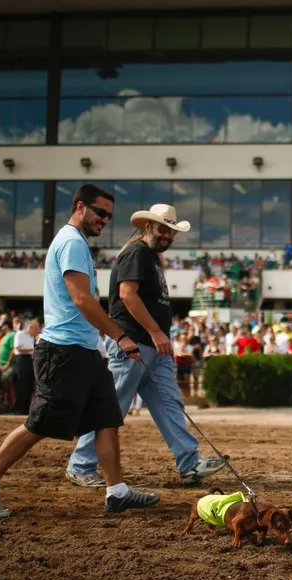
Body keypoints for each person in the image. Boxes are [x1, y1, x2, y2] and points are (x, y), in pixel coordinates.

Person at [0, 184, 160, 518]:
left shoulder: (78, 243)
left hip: (83, 350)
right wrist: (120, 336)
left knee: (106, 419)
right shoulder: (70, 242)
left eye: (109, 216)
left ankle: (117, 492)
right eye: (100, 213)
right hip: (63, 351)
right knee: (40, 423)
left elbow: (86, 301)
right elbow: (81, 299)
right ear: (80, 207)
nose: (105, 220)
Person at [66, 203, 227, 487]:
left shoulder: (148, 256)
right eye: (163, 229)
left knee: (169, 403)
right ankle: (80, 464)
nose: (167, 236)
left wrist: (157, 336)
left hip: (151, 346)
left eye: (171, 231)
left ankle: (189, 462)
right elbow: (127, 295)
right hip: (135, 342)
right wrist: (155, 332)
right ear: (148, 226)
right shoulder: (138, 252)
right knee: (112, 407)